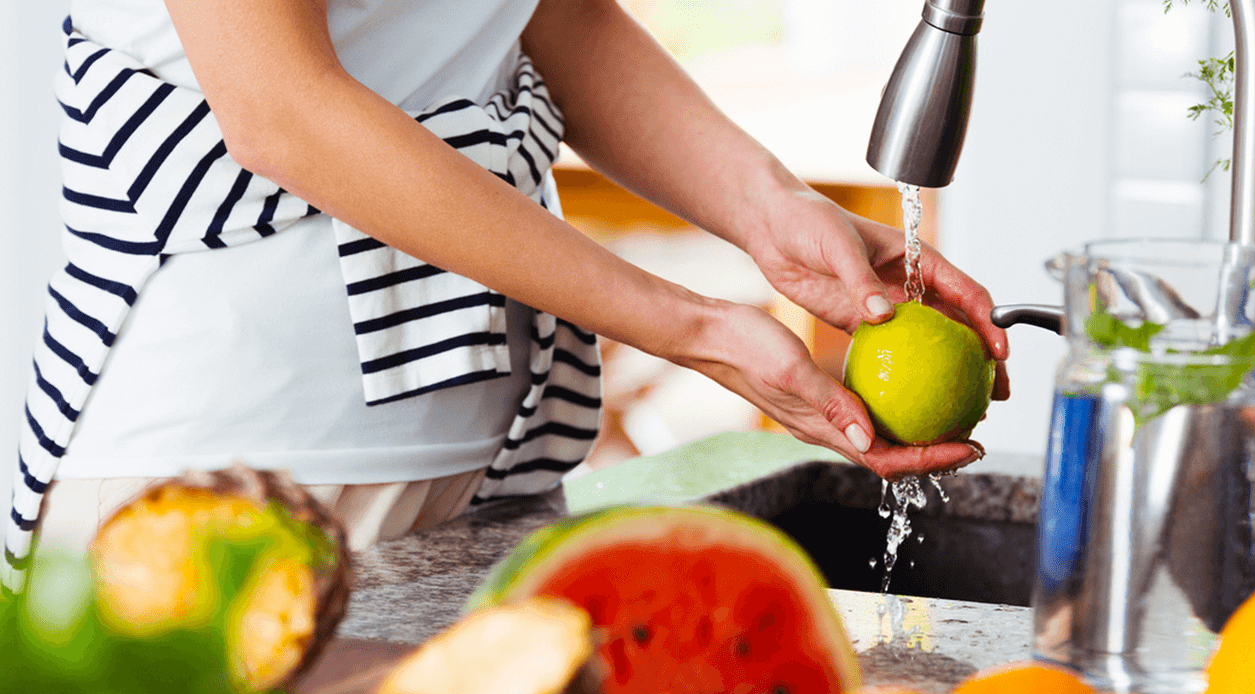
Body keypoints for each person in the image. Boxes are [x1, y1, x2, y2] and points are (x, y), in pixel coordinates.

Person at [5, 0, 1009, 587]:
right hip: (225, 479)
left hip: (488, 476)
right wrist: (691, 328)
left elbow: (555, 16)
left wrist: (773, 211)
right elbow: (281, 108)